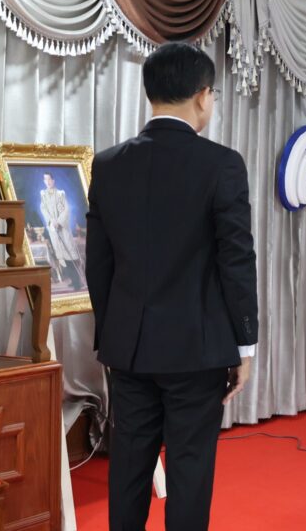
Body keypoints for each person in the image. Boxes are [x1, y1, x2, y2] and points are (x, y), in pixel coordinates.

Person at [86, 42, 259, 531]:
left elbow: (98, 263)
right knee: (189, 469)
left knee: (128, 465)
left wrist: (116, 330)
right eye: (213, 95)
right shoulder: (222, 164)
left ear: (152, 94)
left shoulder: (108, 163)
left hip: (129, 348)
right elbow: (236, 260)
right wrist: (245, 345)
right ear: (202, 95)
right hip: (197, 350)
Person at [39, 173, 84, 290]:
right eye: (45, 179)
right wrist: (51, 221)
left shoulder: (60, 193)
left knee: (70, 254)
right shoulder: (43, 195)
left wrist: (59, 221)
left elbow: (66, 209)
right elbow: (43, 209)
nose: (48, 181)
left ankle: (77, 282)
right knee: (62, 256)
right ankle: (72, 280)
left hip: (63, 228)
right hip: (53, 229)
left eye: (49, 179)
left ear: (53, 180)